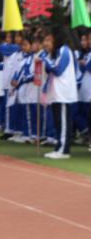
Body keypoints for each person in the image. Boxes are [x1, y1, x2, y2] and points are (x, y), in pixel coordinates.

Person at [40, 25, 77, 159]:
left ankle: (63, 150)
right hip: (56, 92)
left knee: (63, 122)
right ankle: (59, 147)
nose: (46, 43)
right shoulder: (56, 52)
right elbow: (49, 70)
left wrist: (45, 58)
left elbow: (57, 69)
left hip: (63, 93)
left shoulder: (64, 50)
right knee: (58, 121)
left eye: (50, 39)